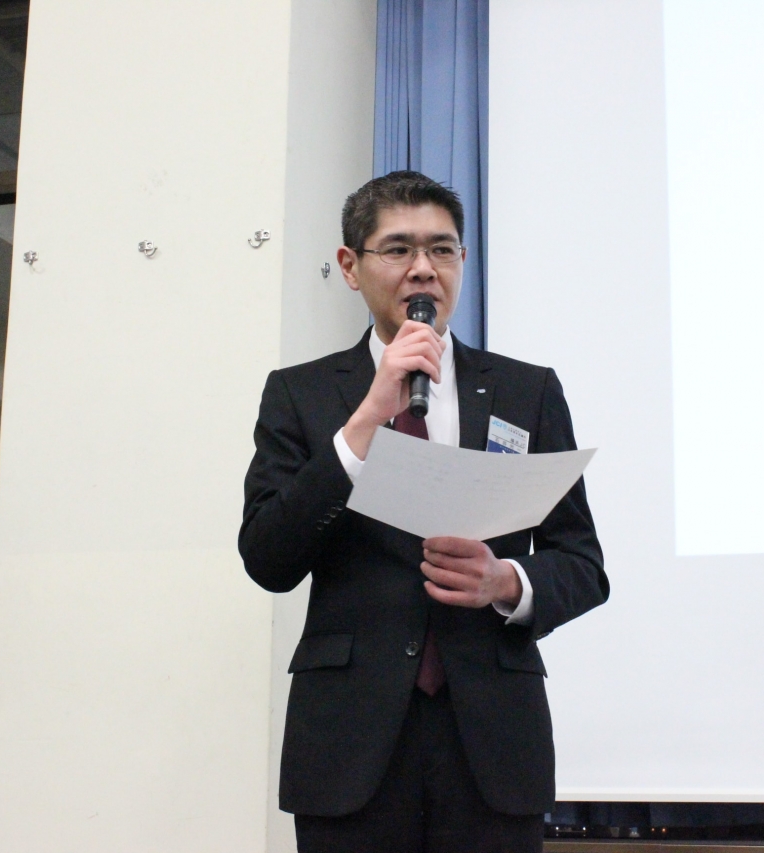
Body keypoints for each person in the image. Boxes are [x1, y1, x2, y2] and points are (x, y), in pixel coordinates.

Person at [240, 171, 607, 853]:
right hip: (348, 743)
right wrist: (364, 423)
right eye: (398, 249)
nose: (423, 269)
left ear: (462, 261)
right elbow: (267, 557)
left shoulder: (526, 391)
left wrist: (507, 582)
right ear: (351, 265)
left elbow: (583, 565)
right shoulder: (301, 394)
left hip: (493, 742)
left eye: (442, 249)